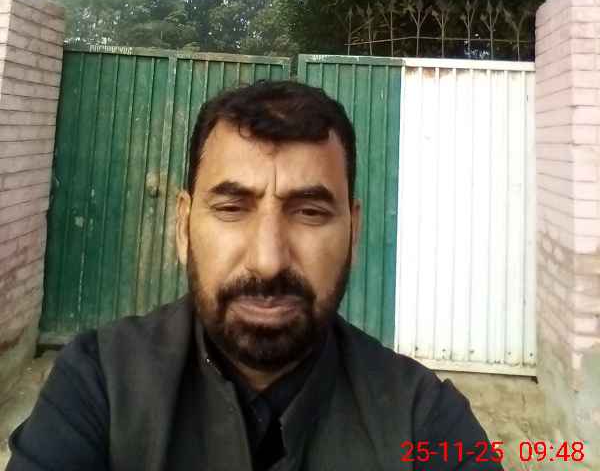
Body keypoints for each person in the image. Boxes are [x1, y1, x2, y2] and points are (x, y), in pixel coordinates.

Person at [8, 80, 503, 471]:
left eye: (310, 212)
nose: (268, 261)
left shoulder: (424, 421)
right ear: (182, 227)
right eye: (231, 208)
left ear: (353, 233)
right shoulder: (99, 384)